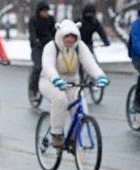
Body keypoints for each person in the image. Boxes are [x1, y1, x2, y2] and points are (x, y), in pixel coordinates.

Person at [39, 20, 108, 148]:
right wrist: (55, 79)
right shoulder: (51, 46)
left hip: (72, 84)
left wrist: (100, 76)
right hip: (49, 82)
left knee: (83, 113)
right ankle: (57, 135)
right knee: (60, 99)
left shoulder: (79, 46)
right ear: (61, 36)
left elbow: (89, 63)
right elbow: (47, 65)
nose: (70, 39)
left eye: (73, 36)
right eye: (67, 36)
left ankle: (72, 139)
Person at [28, 1, 56, 97]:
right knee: (38, 67)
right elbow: (32, 33)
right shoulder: (33, 20)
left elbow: (55, 32)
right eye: (44, 11)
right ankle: (33, 89)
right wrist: (35, 42)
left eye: (47, 11)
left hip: (49, 46)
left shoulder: (51, 19)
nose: (46, 13)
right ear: (39, 11)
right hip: (38, 47)